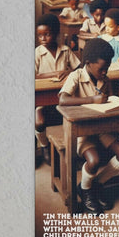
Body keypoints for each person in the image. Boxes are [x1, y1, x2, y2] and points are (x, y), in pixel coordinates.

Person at [58, 38, 119, 214]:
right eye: (101, 69)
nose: (105, 72)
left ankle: (93, 184)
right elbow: (62, 99)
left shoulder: (104, 79)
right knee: (94, 160)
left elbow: (110, 101)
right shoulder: (76, 76)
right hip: (79, 131)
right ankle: (86, 190)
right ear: (88, 63)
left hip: (101, 129)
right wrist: (91, 99)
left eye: (107, 68)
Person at [35, 13, 80, 166]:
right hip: (42, 97)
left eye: (46, 35)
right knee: (39, 122)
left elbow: (79, 68)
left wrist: (68, 72)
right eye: (39, 35)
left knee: (74, 117)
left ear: (55, 34)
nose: (42, 39)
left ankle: (74, 148)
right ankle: (44, 146)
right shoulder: (38, 53)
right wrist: (53, 73)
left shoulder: (65, 50)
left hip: (63, 96)